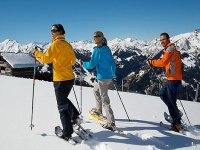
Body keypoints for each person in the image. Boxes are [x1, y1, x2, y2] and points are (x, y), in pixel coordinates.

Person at [34, 24, 80, 140]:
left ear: (59, 32)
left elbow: (46, 59)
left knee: (61, 106)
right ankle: (75, 116)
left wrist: (36, 53)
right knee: (63, 99)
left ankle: (67, 132)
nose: (51, 32)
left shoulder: (55, 45)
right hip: (69, 78)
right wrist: (64, 64)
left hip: (60, 79)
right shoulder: (68, 45)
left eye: (53, 30)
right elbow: (73, 60)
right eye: (51, 30)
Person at [79, 31, 116, 130]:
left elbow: (92, 64)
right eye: (94, 36)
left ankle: (111, 123)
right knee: (95, 90)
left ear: (101, 37)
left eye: (97, 36)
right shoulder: (107, 48)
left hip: (102, 78)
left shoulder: (97, 50)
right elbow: (112, 62)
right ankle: (99, 111)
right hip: (108, 76)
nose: (94, 38)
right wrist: (113, 74)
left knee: (105, 100)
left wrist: (83, 63)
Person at [148, 32, 183, 132]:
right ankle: (175, 113)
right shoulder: (168, 49)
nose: (162, 41)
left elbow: (163, 62)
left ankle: (176, 123)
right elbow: (166, 60)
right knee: (162, 94)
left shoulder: (170, 48)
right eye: (160, 40)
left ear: (168, 39)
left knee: (172, 101)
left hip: (173, 79)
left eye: (163, 39)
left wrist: (151, 62)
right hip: (171, 78)